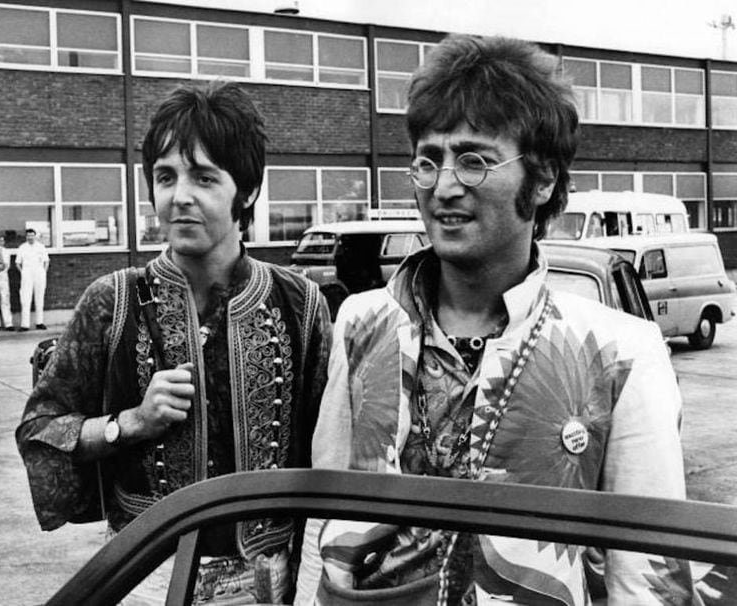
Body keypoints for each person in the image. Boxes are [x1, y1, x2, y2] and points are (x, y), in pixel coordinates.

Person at [295, 35, 696, 605]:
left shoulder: (620, 352)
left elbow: (648, 575)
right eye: (428, 161)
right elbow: (330, 512)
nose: (443, 187)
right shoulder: (362, 324)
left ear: (544, 178)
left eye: (474, 161)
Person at [16, 81, 331, 604]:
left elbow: (334, 451)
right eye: (165, 177)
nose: (180, 195)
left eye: (204, 177)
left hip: (269, 578)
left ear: (248, 191)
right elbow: (39, 430)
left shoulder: (299, 302)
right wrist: (128, 423)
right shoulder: (111, 300)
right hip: (146, 573)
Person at [16, 227, 49, 331]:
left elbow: (46, 261)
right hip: (27, 273)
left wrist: (43, 272)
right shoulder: (22, 247)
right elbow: (17, 263)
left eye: (32, 235)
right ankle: (25, 325)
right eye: (28, 236)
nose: (30, 237)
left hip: (39, 272)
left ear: (35, 236)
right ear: (26, 237)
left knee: (40, 298)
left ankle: (39, 322)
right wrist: (23, 272)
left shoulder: (41, 247)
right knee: (25, 298)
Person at [0, 234, 14, 330]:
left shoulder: (6, 251)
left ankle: (8, 323)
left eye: (2, 241)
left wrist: (0, 267)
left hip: (3, 277)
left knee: (5, 300)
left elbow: (6, 265)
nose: (1, 243)